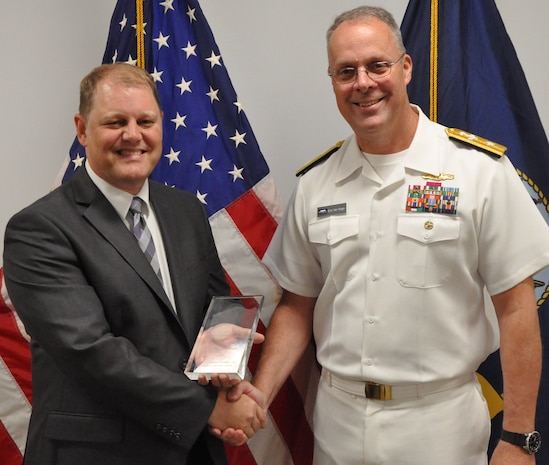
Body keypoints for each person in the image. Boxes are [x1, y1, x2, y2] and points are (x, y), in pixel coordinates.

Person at [215, 5, 549, 465]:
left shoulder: (479, 172)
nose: (363, 83)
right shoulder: (317, 183)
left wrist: (518, 438)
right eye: (345, 71)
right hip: (339, 422)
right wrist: (261, 393)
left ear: (406, 67)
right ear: (332, 81)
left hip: (440, 423)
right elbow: (297, 304)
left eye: (377, 65)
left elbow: (516, 310)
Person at [3, 63, 265, 465]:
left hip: (191, 449)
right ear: (82, 129)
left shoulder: (185, 211)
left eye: (146, 120)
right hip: (97, 454)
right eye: (115, 122)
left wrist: (225, 371)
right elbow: (90, 351)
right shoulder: (38, 228)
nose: (133, 135)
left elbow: (215, 311)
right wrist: (208, 409)